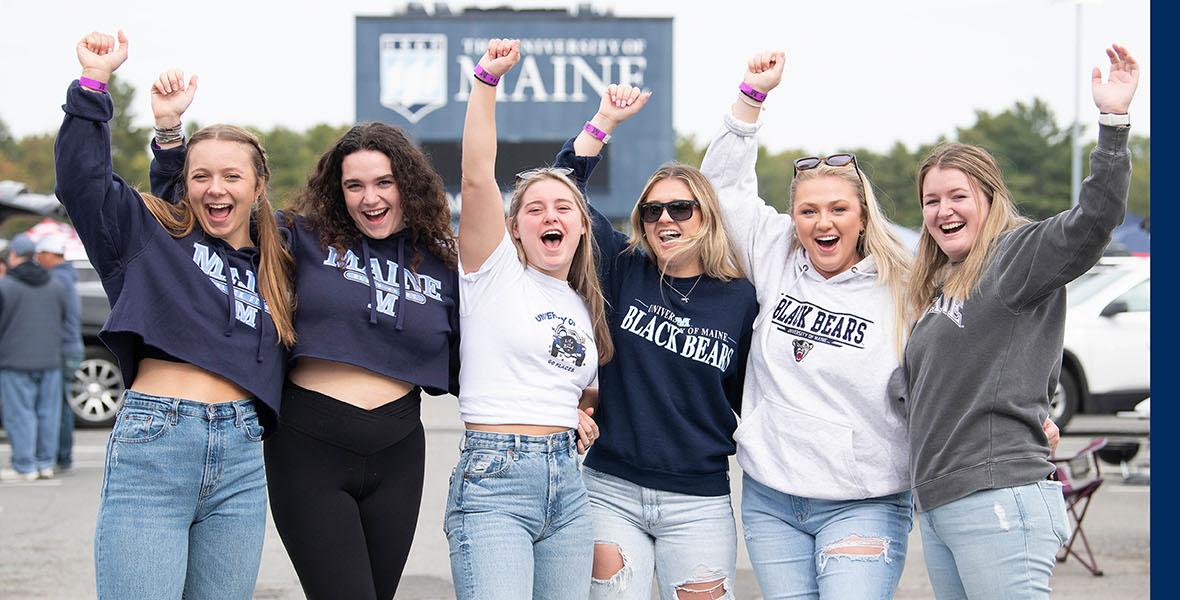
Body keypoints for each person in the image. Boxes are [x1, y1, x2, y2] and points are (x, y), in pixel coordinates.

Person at [146, 72, 460, 600]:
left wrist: (574, 405)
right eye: (354, 185)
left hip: (400, 449)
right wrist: (171, 135)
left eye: (384, 182)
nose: (370, 197)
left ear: (408, 184)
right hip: (311, 445)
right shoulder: (300, 237)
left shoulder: (440, 262)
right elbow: (205, 212)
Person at [56, 30, 296, 598]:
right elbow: (81, 184)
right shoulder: (148, 236)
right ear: (185, 185)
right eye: (200, 176)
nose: (215, 188)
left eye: (231, 176)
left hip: (242, 458)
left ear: (259, 185)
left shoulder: (280, 257)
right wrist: (94, 84)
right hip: (157, 440)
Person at [896, 45, 1138, 599]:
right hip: (940, 503)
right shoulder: (939, 285)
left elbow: (1094, 221)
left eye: (959, 195)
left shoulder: (1015, 256)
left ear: (989, 198)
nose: (943, 211)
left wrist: (1113, 124)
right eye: (931, 200)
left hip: (997, 497)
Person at [698, 51, 922, 599]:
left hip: (863, 501)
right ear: (793, 217)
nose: (823, 222)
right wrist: (750, 98)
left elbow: (959, 363)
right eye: (809, 211)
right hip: (772, 497)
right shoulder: (775, 252)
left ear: (862, 215)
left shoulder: (906, 285)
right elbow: (721, 191)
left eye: (838, 210)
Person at [549, 86, 759, 600]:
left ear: (706, 215)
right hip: (610, 490)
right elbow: (564, 188)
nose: (665, 219)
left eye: (681, 209)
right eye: (652, 211)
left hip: (699, 499)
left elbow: (749, 393)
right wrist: (603, 121)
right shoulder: (622, 267)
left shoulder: (740, 298)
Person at [448, 38, 611, 600]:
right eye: (534, 209)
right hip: (496, 480)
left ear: (583, 226)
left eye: (564, 207)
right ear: (515, 228)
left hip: (568, 485)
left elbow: (578, 386)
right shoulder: (492, 274)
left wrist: (577, 413)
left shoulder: (581, 302)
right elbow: (475, 178)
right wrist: (486, 84)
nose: (550, 215)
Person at [0, 234, 72, 482]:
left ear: (13, 256)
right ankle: (46, 463)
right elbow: (64, 319)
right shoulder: (55, 285)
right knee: (48, 414)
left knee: (20, 414)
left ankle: (26, 464)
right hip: (50, 359)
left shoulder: (5, 286)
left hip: (14, 359)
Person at [34, 234, 83, 474]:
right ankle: (63, 455)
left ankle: (60, 456)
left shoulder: (54, 279)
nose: (37, 260)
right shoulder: (67, 276)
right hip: (72, 346)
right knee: (62, 403)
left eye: (39, 255)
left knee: (57, 404)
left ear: (48, 255)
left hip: (61, 348)